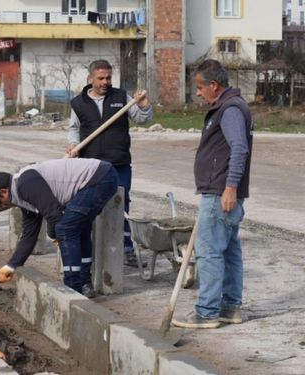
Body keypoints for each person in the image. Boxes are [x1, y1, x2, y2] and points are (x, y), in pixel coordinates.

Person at [172, 59, 253, 329]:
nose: (197, 92)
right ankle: (230, 308)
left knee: (209, 253)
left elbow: (239, 148)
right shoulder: (228, 106)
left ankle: (206, 312)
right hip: (222, 192)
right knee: (229, 252)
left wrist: (230, 187)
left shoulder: (229, 109)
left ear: (214, 85)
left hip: (220, 193)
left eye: (199, 87)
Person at [0, 158, 118, 297]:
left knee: (65, 229)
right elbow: (29, 235)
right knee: (77, 227)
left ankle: (72, 289)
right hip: (100, 176)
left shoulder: (25, 184)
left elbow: (54, 215)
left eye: (0, 201)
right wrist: (11, 265)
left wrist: (54, 235)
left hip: (98, 178)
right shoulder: (23, 196)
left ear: (4, 192)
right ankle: (84, 284)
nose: (3, 205)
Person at [66, 59, 153, 268]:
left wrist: (144, 106)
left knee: (121, 205)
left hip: (119, 163)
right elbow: (73, 128)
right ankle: (93, 247)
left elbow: (143, 119)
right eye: (101, 78)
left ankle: (126, 249)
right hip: (91, 166)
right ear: (90, 78)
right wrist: (74, 145)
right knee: (90, 206)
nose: (105, 82)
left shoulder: (121, 97)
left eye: (108, 78)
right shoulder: (79, 103)